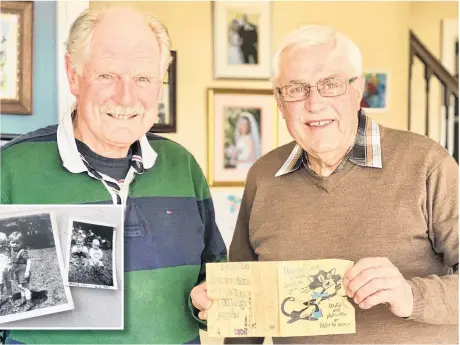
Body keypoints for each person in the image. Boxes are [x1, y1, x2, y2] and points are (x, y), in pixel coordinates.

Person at [197, 25, 459, 344]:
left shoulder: (427, 163)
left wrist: (411, 296)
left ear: (357, 90)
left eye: (330, 84)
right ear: (280, 102)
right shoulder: (262, 176)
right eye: (296, 89)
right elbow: (247, 313)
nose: (314, 103)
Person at [1, 5, 226, 344]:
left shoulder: (183, 166)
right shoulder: (11, 168)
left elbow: (214, 278)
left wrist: (209, 302)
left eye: (143, 78)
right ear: (73, 74)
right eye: (107, 75)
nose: (126, 97)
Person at [8, 232, 33, 312]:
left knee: (25, 287)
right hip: (16, 271)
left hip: (23, 271)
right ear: (10, 243)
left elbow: (29, 260)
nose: (15, 244)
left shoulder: (22, 252)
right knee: (20, 286)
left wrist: (27, 271)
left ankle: (29, 302)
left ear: (21, 243)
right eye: (13, 242)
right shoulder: (12, 250)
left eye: (17, 243)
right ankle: (23, 299)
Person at [0, 233, 11, 302]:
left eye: (2, 243)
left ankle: (10, 297)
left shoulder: (8, 250)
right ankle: (0, 299)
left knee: (9, 284)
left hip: (8, 270)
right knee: (0, 285)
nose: (0, 246)